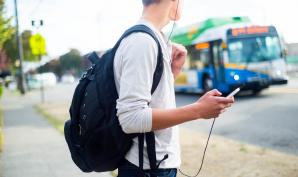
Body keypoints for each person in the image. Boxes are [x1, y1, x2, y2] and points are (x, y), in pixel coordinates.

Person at [114, 0, 235, 176]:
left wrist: (172, 72)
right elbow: (131, 118)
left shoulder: (152, 38)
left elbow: (154, 99)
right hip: (146, 168)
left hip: (153, 165)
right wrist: (198, 110)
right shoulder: (143, 42)